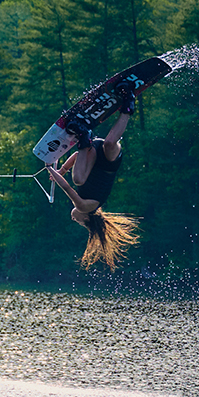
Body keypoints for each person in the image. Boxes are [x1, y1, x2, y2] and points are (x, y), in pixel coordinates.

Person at [45, 86, 142, 270]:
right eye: (79, 223)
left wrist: (62, 170)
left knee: (80, 176)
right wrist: (51, 169)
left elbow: (77, 158)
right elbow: (67, 188)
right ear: (87, 219)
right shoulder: (84, 207)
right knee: (109, 144)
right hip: (109, 163)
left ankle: (84, 137)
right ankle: (128, 105)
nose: (74, 219)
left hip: (92, 153)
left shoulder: (86, 207)